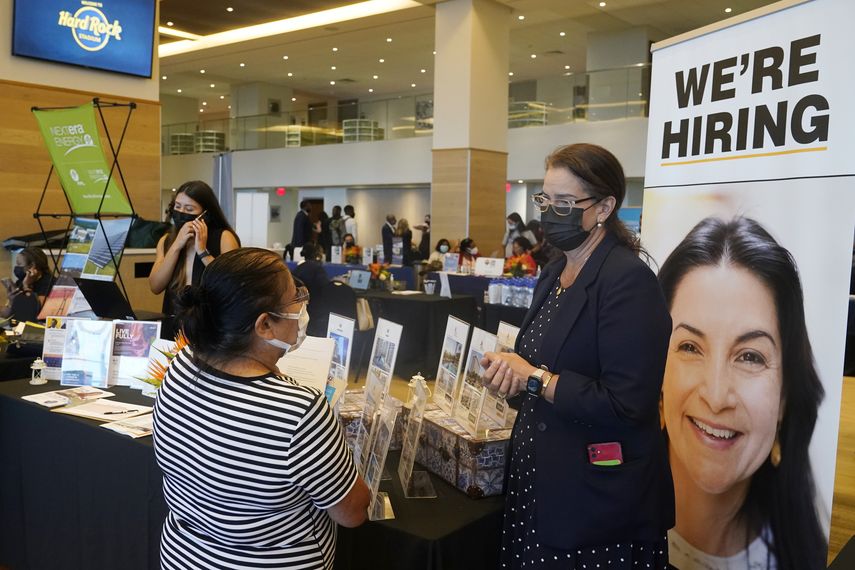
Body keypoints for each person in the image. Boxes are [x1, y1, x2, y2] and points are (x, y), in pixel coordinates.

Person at [480, 143, 674, 570]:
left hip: (594, 498)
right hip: (539, 480)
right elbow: (544, 364)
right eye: (545, 200)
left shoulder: (628, 280)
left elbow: (627, 403)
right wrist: (511, 377)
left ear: (604, 207)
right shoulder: (554, 271)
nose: (551, 213)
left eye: (565, 203)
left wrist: (534, 377)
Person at [153, 248, 370, 569]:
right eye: (296, 297)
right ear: (265, 325)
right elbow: (353, 513)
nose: (303, 305)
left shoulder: (181, 366)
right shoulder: (300, 410)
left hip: (184, 557)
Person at [658, 216, 826, 570]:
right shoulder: (601, 524)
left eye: (750, 356)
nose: (717, 396)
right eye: (690, 347)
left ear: (785, 395)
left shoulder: (804, 553)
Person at [149, 180, 240, 318]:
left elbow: (231, 285)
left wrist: (203, 252)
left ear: (205, 214)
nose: (181, 213)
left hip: (210, 321)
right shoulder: (166, 241)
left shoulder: (224, 238)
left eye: (189, 209)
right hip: (174, 320)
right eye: (177, 206)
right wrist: (176, 246)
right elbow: (155, 286)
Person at [1, 247, 53, 322]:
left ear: (32, 266)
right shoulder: (19, 282)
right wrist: (11, 301)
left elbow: (30, 311)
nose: (17, 267)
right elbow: (8, 314)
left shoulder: (50, 283)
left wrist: (26, 286)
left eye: (19, 264)